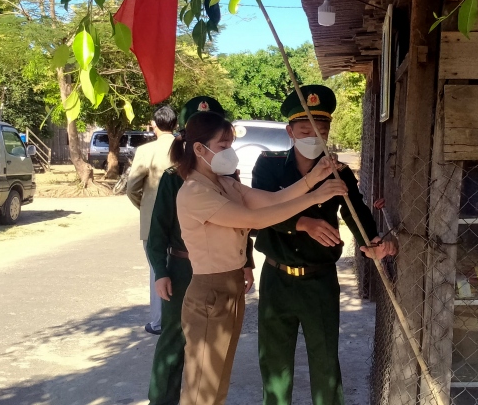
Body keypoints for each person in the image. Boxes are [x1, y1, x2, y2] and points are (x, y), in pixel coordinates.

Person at [171, 110, 348, 405]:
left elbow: (274, 200)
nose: (229, 151)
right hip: (209, 293)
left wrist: (314, 178)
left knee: (218, 382)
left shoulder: (223, 183)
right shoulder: (195, 192)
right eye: (223, 145)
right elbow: (257, 218)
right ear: (199, 149)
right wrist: (315, 197)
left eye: (230, 144)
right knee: (202, 388)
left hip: (231, 289)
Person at [252, 85, 398, 405]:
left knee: (325, 363)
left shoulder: (338, 172)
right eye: (305, 130)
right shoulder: (269, 165)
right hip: (277, 279)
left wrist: (370, 242)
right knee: (275, 365)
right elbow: (256, 214)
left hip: (320, 280)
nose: (313, 136)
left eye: (321, 129)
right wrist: (302, 223)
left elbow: (355, 209)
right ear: (290, 131)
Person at [144, 96, 237, 405]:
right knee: (174, 340)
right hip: (183, 271)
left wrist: (247, 262)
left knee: (209, 349)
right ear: (193, 140)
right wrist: (161, 272)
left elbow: (240, 224)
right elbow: (157, 232)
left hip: (217, 270)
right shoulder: (174, 180)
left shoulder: (227, 179)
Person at [127, 105, 178, 336]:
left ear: (154, 125)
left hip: (153, 222)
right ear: (175, 125)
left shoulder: (146, 150)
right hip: (183, 219)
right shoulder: (185, 148)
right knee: (182, 267)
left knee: (158, 270)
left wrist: (146, 207)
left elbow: (132, 188)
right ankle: (179, 317)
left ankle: (158, 322)